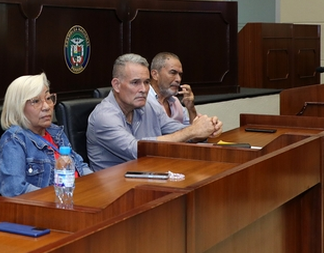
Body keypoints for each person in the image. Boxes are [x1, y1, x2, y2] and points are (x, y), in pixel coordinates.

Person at [87, 54, 222, 171]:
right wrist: (192, 131)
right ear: (116, 85)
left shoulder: (149, 106)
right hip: (111, 189)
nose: (144, 89)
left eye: (146, 82)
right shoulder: (104, 116)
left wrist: (206, 128)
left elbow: (179, 132)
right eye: (135, 82)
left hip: (149, 175)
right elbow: (136, 150)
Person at [0, 72, 91, 197]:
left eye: (48, 98)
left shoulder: (56, 132)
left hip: (78, 199)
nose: (46, 106)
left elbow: (80, 166)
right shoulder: (15, 140)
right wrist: (60, 196)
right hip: (49, 208)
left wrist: (98, 184)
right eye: (36, 101)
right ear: (18, 107)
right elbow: (14, 190)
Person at [148, 52, 221, 134]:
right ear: (155, 74)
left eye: (180, 74)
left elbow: (192, 131)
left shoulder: (175, 101)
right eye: (173, 72)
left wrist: (191, 108)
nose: (178, 79)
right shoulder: (144, 101)